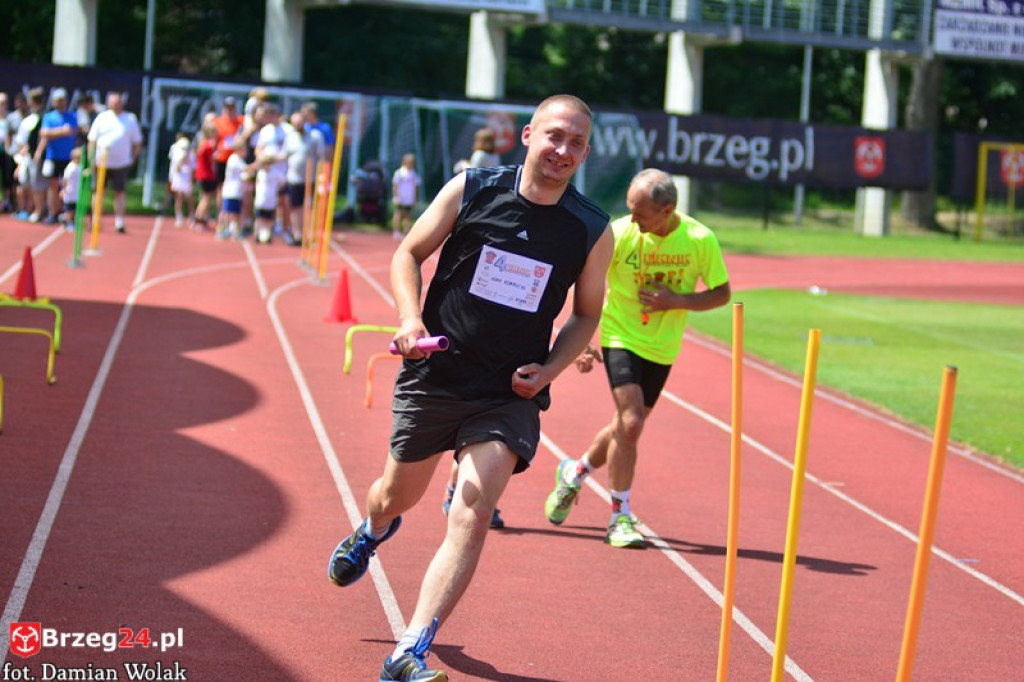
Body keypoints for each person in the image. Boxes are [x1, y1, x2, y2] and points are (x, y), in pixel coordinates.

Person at [327, 94, 613, 682]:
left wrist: (550, 369)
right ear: (528, 135)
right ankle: (374, 529)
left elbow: (587, 314)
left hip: (507, 394)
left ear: (586, 153)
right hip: (437, 373)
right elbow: (409, 253)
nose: (563, 150)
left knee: (473, 509)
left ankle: (409, 650)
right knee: (393, 495)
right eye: (555, 136)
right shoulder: (473, 189)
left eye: (577, 142)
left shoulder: (590, 228)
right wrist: (410, 319)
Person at [543, 168, 731, 548]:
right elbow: (586, 281)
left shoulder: (699, 239)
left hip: (662, 346)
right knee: (631, 422)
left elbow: (721, 293)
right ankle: (620, 517)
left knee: (626, 425)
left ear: (667, 210)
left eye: (640, 212)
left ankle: (575, 472)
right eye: (630, 209)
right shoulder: (621, 233)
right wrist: (582, 339)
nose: (632, 218)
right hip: (620, 334)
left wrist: (677, 301)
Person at [86, 92, 143, 234]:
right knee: (99, 192)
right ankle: (96, 220)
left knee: (120, 192)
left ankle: (119, 221)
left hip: (121, 163)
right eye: (113, 103)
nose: (116, 106)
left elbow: (137, 141)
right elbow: (92, 140)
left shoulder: (130, 118)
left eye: (118, 103)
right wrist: (91, 159)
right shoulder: (102, 118)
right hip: (101, 163)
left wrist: (133, 158)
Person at [168, 131, 195, 228]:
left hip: (187, 175)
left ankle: (192, 216)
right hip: (178, 175)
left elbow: (193, 164)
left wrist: (186, 155)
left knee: (189, 197)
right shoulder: (174, 148)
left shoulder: (191, 150)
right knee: (179, 196)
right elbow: (174, 162)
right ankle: (179, 216)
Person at [390, 152, 420, 239]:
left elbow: (416, 187)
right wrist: (396, 196)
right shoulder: (399, 172)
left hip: (409, 198)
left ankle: (406, 230)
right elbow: (395, 185)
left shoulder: (413, 174)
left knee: (408, 214)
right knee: (398, 213)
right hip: (400, 197)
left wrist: (415, 198)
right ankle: (396, 231)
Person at [60, 146, 82, 229]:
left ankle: (73, 221)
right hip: (70, 190)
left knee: (75, 208)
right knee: (69, 208)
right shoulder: (70, 167)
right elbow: (65, 179)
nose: (78, 159)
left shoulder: (81, 166)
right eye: (77, 158)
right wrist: (63, 189)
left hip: (77, 191)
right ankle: (68, 221)